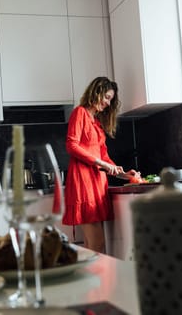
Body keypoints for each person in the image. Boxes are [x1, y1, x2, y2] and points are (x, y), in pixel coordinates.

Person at [63, 76, 139, 253]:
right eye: (106, 97)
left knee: (93, 247)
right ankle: (100, 280)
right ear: (96, 92)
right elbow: (71, 145)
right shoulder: (80, 112)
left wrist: (124, 174)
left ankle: (96, 280)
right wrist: (99, 162)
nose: (107, 103)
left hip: (97, 184)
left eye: (110, 100)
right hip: (84, 182)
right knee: (97, 244)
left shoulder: (96, 124)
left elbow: (105, 159)